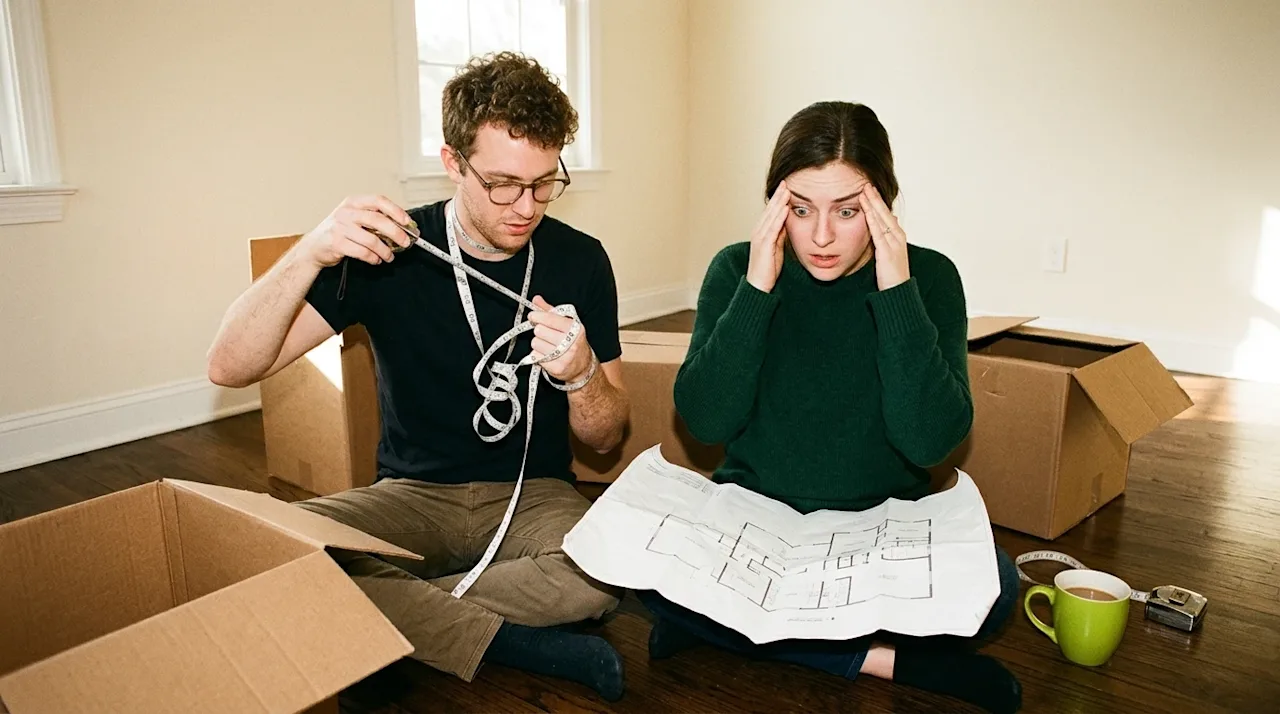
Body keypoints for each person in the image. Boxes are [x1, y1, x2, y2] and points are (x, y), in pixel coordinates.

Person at [206, 52, 630, 703]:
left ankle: (384, 619)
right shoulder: (390, 250)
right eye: (503, 184)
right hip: (413, 493)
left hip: (532, 495)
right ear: (453, 162)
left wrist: (580, 379)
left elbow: (606, 438)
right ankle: (502, 639)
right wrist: (311, 249)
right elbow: (229, 367)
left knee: (605, 572)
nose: (527, 206)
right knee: (263, 549)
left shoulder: (580, 259)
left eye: (545, 182)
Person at [637, 101, 1022, 714]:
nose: (820, 237)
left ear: (884, 205)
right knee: (635, 557)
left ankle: (730, 628)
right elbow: (707, 423)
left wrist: (896, 291)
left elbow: (928, 441)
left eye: (847, 212)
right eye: (800, 210)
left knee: (999, 588)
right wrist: (757, 289)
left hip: (876, 533)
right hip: (756, 526)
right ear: (774, 205)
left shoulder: (931, 276)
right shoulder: (738, 267)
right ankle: (879, 659)